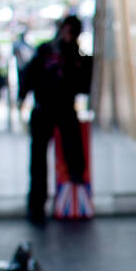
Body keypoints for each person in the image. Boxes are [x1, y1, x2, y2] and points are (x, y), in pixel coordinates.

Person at [19, 15, 90, 224]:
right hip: (43, 109)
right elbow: (30, 73)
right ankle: (37, 204)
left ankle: (76, 190)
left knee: (72, 146)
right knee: (38, 159)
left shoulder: (76, 56)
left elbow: (83, 82)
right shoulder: (45, 50)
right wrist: (22, 96)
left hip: (65, 109)